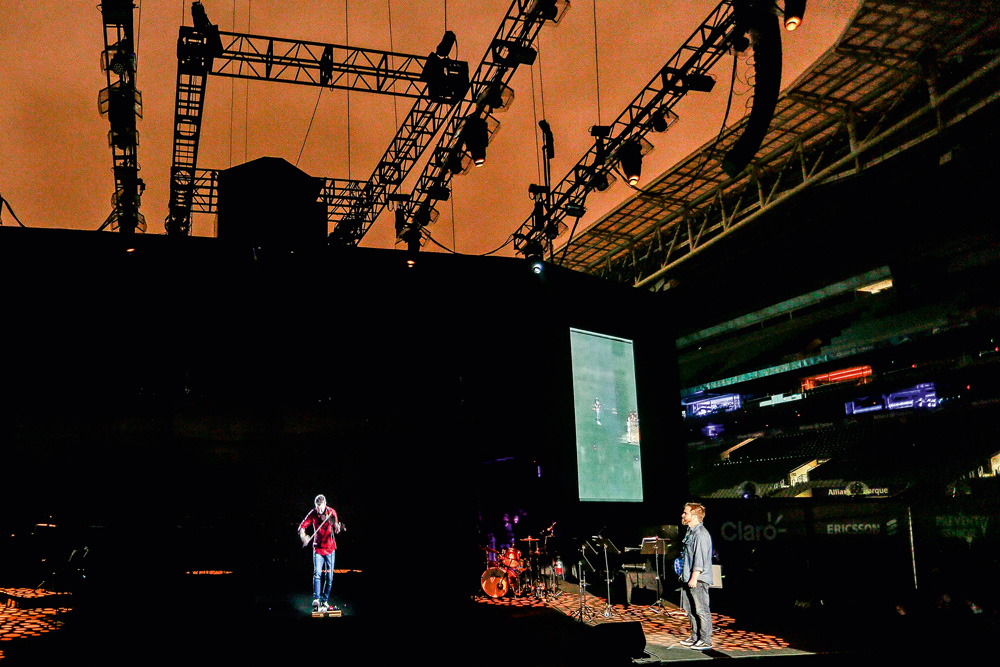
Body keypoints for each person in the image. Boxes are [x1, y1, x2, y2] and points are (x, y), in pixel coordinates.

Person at [298, 494, 342, 612]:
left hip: (330, 549)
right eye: (318, 508)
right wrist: (304, 536)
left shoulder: (332, 512)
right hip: (318, 548)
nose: (320, 511)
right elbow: (301, 527)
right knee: (317, 574)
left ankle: (324, 600)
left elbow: (336, 528)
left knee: (330, 577)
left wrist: (337, 527)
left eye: (321, 508)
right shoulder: (313, 513)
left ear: (325, 504)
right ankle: (316, 599)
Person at [678, 502, 713, 650]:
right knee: (690, 609)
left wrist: (694, 577)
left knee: (701, 610)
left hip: (697, 579)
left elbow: (699, 558)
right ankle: (695, 636)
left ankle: (705, 640)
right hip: (688, 577)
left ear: (694, 515)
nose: (682, 515)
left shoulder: (701, 534)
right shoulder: (691, 532)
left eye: (685, 513)